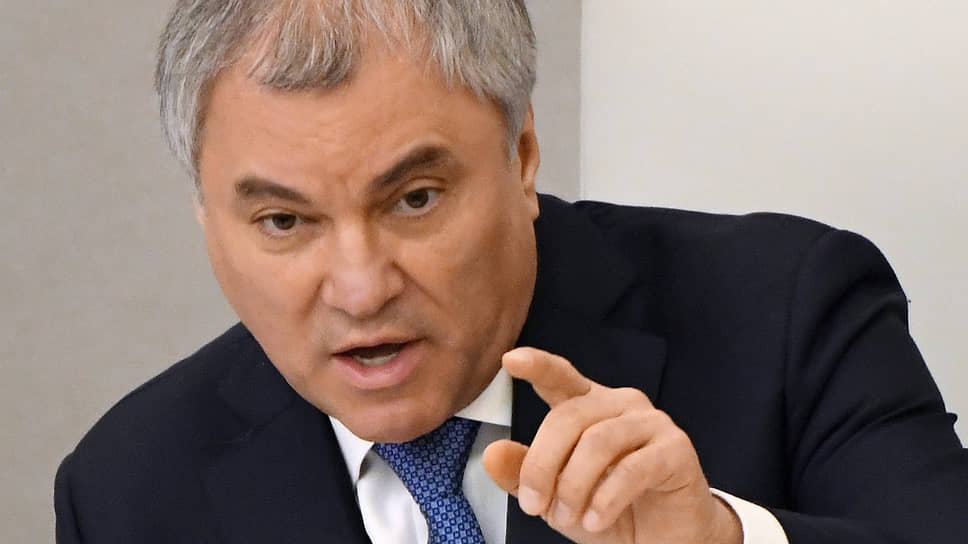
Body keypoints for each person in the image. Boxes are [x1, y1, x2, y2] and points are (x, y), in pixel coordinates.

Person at [55, 1, 967, 543]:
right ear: (206, 216)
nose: (362, 289)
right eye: (285, 222)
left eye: (414, 199)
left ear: (522, 155)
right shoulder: (127, 491)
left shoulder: (790, 312)